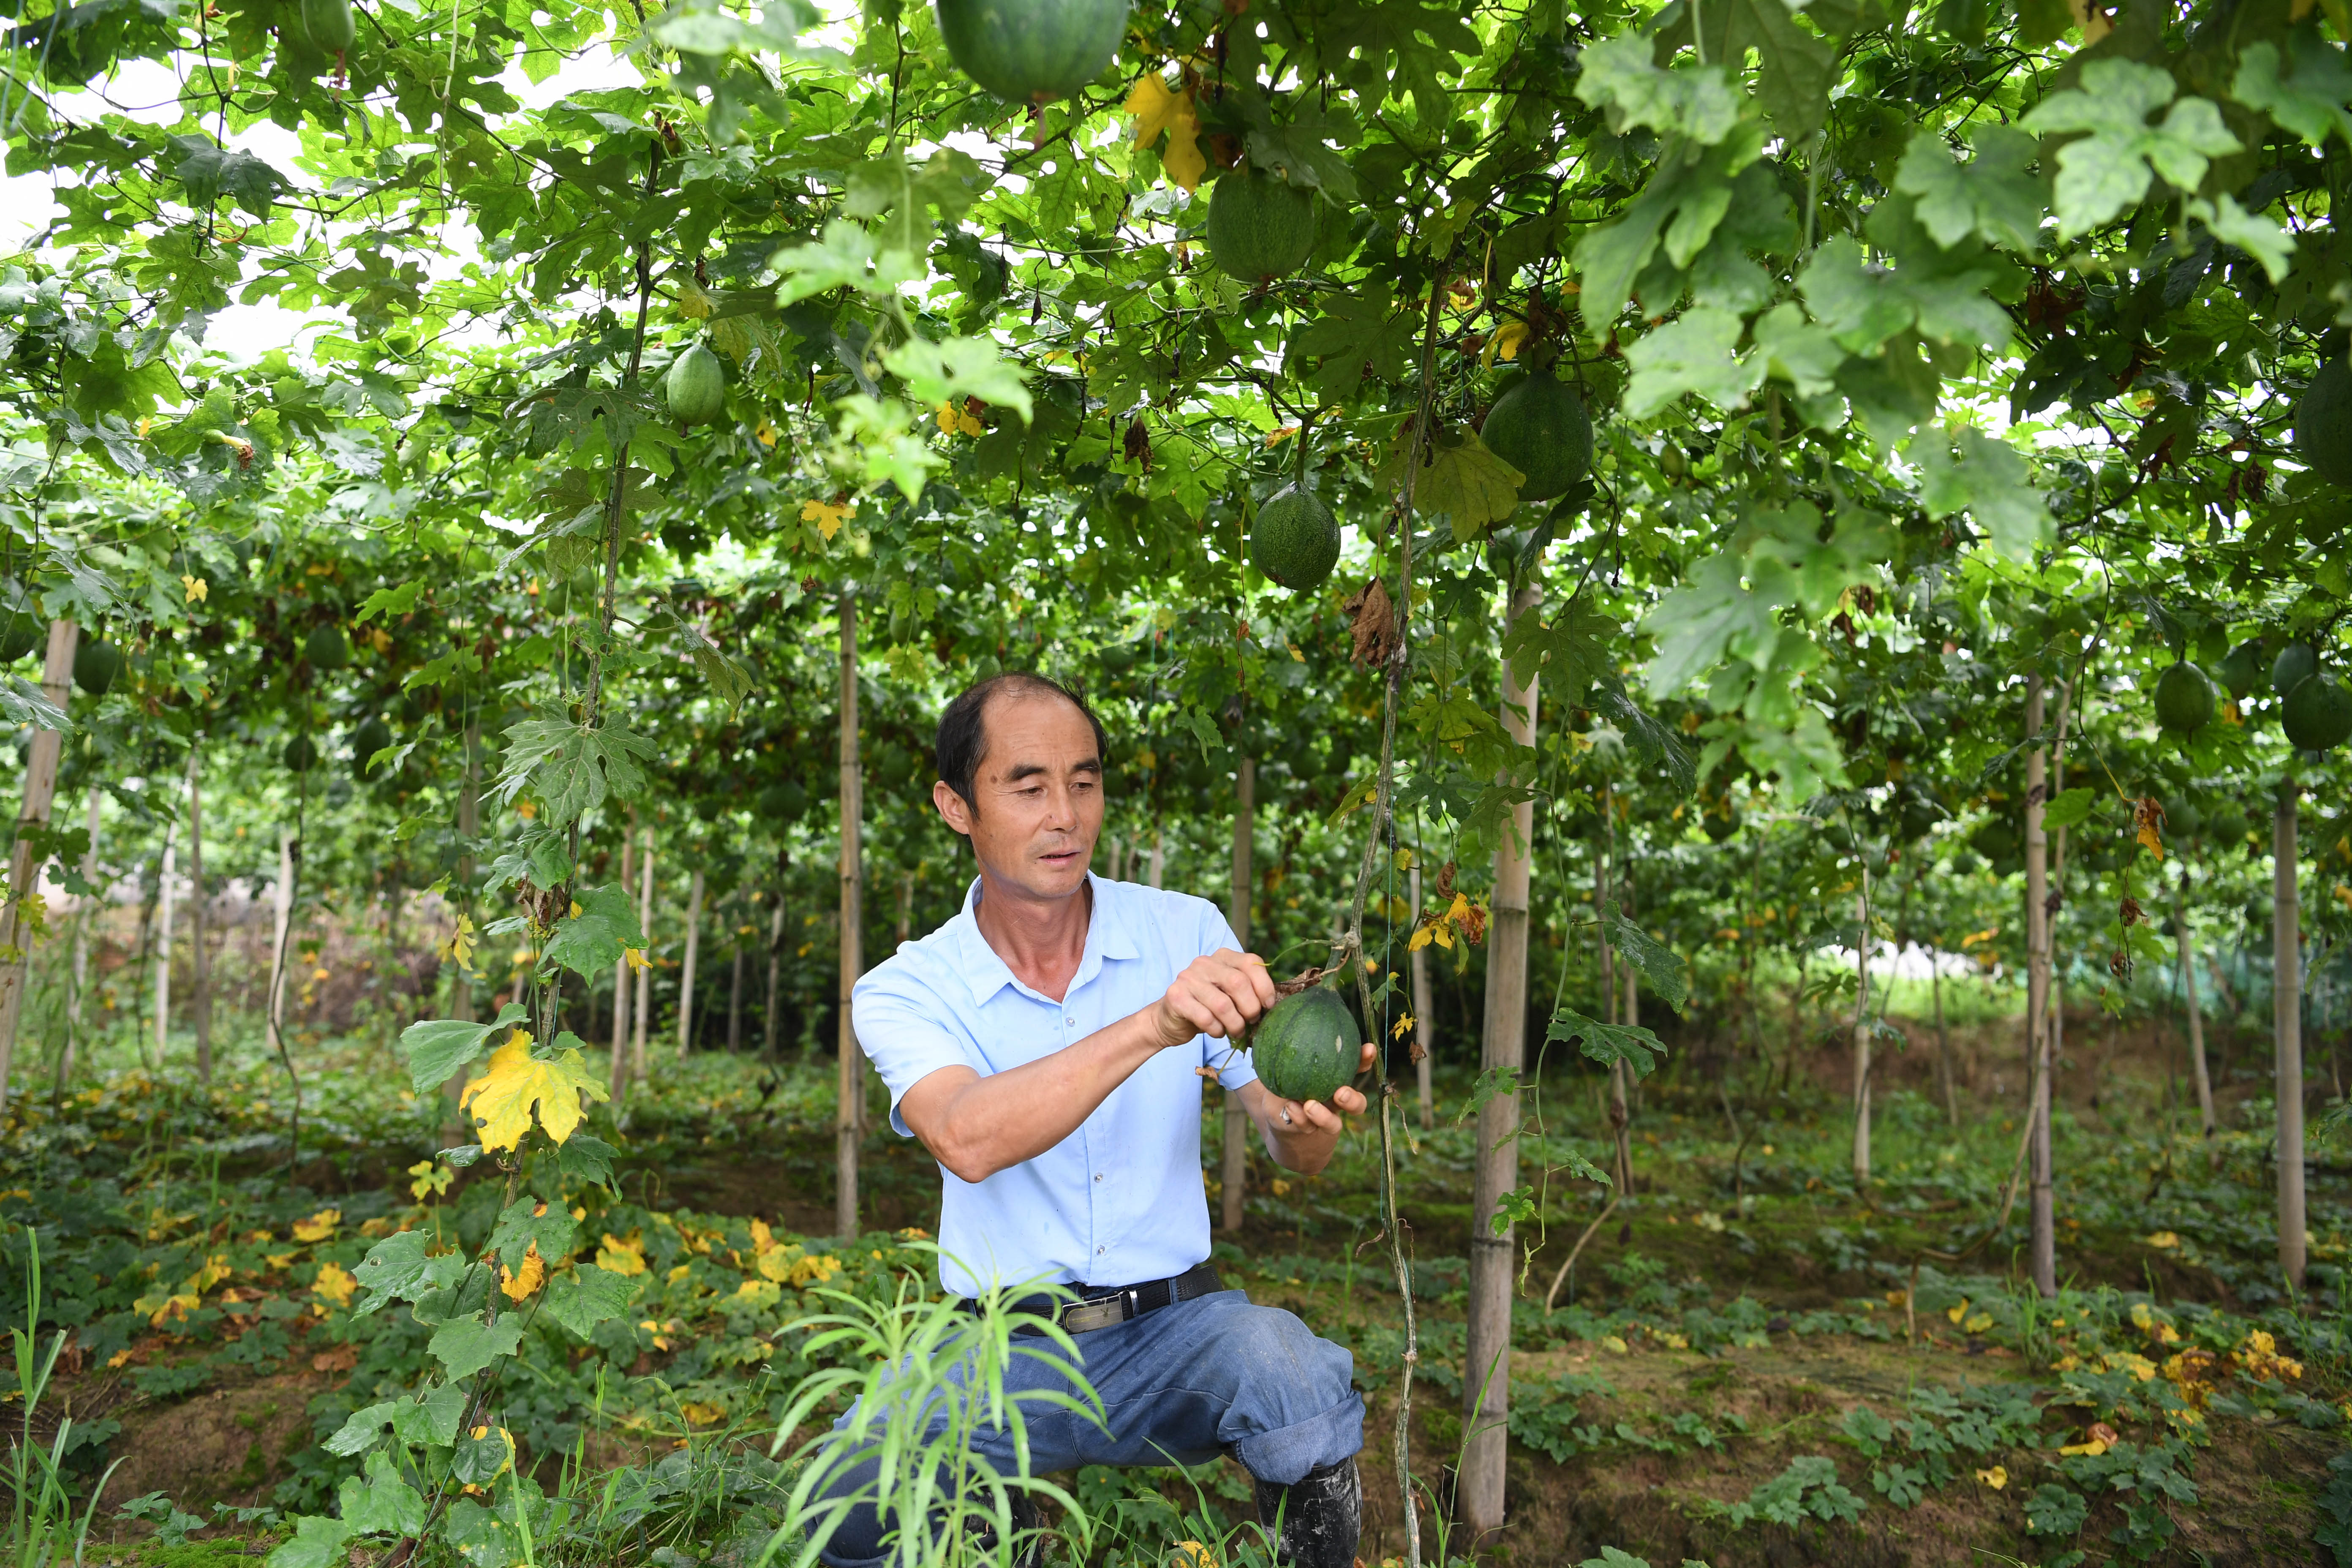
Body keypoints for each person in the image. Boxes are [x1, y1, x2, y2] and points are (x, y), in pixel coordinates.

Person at [812, 671, 1375, 1568]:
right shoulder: (906, 986)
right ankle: (1000, 1527)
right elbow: (966, 1135)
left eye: (1086, 780)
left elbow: (1281, 1128)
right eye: (1029, 785)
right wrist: (1153, 1023)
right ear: (957, 805)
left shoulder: (1185, 929)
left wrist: (1308, 1119)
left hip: (1174, 1334)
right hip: (999, 1345)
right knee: (844, 1497)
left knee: (1288, 1367)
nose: (1066, 813)